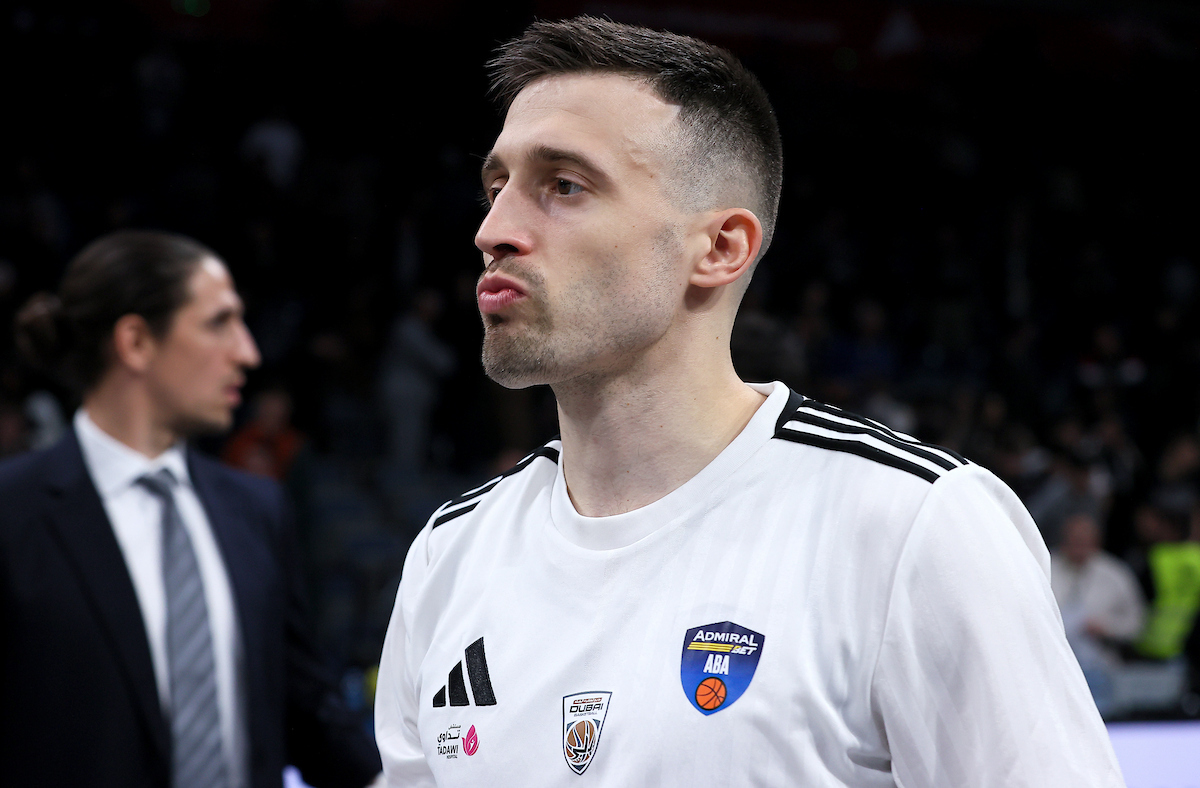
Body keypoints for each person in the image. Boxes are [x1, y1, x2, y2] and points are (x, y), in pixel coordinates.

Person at [374, 16, 1123, 787]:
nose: (493, 230)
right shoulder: (448, 554)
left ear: (720, 247)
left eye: (564, 185)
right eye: (496, 187)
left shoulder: (914, 526)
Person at [0, 230, 382, 788]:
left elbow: (304, 706)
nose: (247, 352)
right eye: (218, 322)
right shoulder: (14, 513)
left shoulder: (257, 510)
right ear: (136, 342)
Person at [1050, 512, 1144, 714]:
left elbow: (1136, 623)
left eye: (1084, 541)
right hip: (1054, 667)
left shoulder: (1115, 574)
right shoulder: (1045, 568)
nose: (1079, 546)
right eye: (1074, 540)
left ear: (1096, 542)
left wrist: (1108, 627)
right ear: (1063, 540)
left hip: (1101, 668)